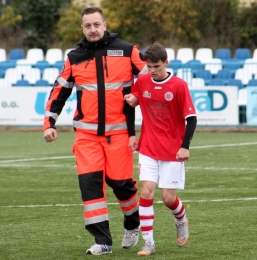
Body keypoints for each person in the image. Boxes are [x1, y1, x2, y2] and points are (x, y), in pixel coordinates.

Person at [43, 7, 147, 256]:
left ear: (104, 24)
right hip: (86, 137)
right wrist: (49, 124)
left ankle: (133, 224)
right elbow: (59, 92)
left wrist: (140, 97)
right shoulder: (74, 57)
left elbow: (151, 78)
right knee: (90, 187)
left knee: (123, 185)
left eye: (96, 24)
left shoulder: (126, 50)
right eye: (87, 25)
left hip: (120, 135)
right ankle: (103, 241)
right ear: (82, 28)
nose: (92, 29)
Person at [124, 42, 197, 256]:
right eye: (149, 67)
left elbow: (191, 119)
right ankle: (149, 243)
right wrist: (132, 133)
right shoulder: (143, 80)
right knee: (146, 192)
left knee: (167, 198)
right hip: (148, 148)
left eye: (156, 66)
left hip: (173, 151)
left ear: (166, 63)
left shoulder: (178, 85)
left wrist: (185, 147)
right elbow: (132, 103)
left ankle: (181, 219)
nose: (152, 71)